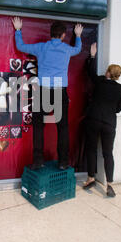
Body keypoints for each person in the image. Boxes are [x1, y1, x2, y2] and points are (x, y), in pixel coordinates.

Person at [12, 17, 83, 170]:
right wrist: (78, 35)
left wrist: (18, 30)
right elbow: (78, 50)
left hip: (43, 89)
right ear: (63, 35)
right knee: (62, 127)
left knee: (38, 126)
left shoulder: (41, 48)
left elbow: (21, 46)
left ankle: (38, 161)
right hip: (59, 89)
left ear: (50, 34)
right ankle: (63, 162)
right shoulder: (67, 49)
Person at [83, 43, 121, 197]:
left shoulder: (100, 82)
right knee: (108, 153)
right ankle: (110, 185)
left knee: (91, 149)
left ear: (108, 72)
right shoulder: (120, 89)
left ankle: (91, 178)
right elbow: (118, 109)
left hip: (93, 119)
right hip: (109, 123)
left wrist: (92, 55)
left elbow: (90, 72)